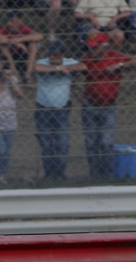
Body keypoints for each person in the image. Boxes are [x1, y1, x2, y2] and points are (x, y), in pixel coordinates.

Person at [78, 30, 136, 179]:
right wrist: (77, 92)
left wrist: (119, 65)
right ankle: (95, 175)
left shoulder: (115, 56)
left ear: (104, 46)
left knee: (106, 142)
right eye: (90, 47)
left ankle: (107, 175)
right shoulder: (86, 59)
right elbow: (72, 73)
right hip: (90, 105)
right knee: (91, 143)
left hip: (108, 106)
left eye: (95, 47)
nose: (92, 50)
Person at [32, 40, 78, 180]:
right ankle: (49, 174)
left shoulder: (70, 62)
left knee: (62, 144)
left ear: (62, 55)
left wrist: (68, 68)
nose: (51, 57)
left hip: (62, 110)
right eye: (50, 54)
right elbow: (38, 68)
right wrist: (58, 69)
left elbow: (83, 66)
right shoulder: (43, 62)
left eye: (55, 54)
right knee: (46, 145)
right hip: (43, 110)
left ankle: (60, 174)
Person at [0, 10, 43, 82]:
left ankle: (28, 75)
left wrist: (20, 39)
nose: (9, 23)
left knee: (34, 44)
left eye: (12, 20)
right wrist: (15, 43)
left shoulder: (23, 28)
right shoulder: (4, 29)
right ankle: (16, 76)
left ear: (19, 20)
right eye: (7, 21)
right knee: (3, 46)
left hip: (22, 55)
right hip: (8, 57)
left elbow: (39, 36)